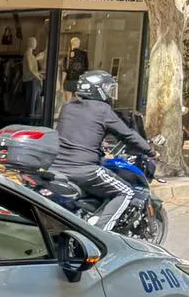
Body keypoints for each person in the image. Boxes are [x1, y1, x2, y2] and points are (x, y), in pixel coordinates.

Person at [51, 69, 153, 232]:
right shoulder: (102, 110)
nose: (109, 93)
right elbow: (128, 135)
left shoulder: (68, 107)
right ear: (98, 90)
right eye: (107, 89)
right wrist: (150, 151)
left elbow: (80, 132)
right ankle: (101, 236)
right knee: (126, 192)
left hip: (56, 167)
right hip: (85, 170)